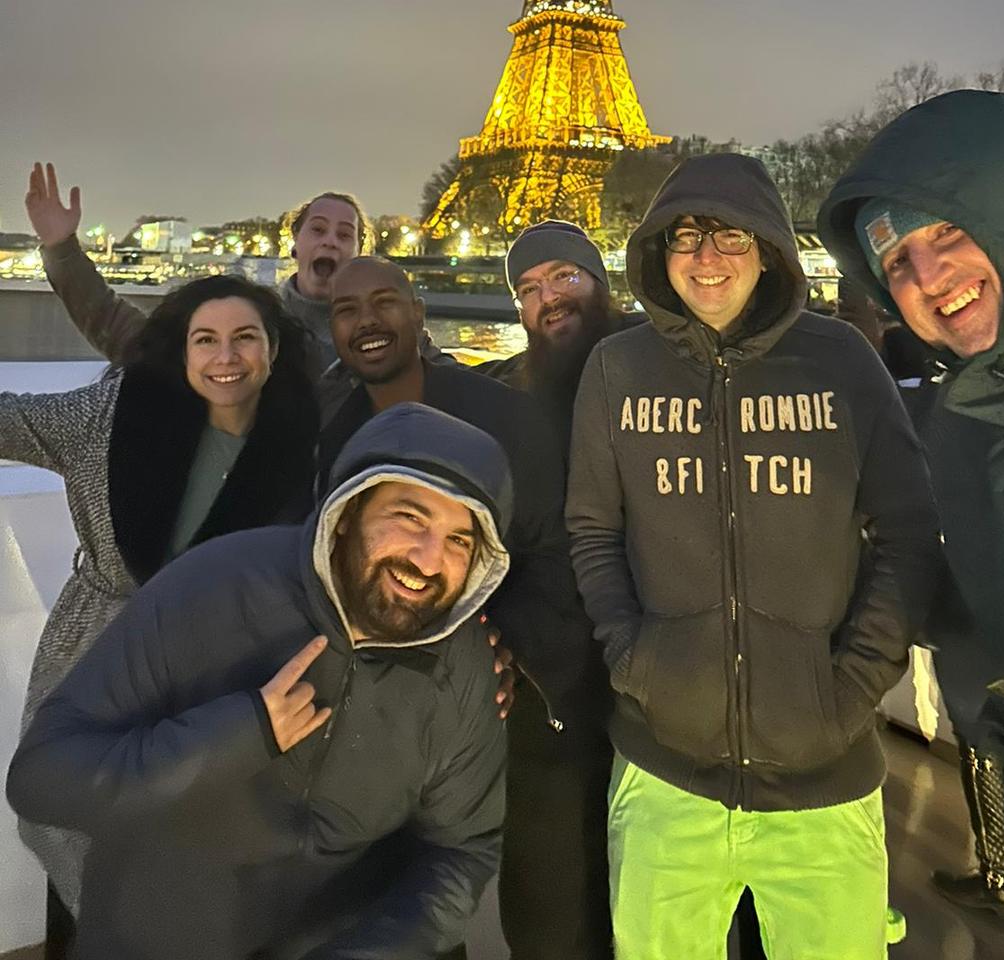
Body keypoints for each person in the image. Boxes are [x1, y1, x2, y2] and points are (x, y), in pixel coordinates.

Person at [567, 153, 940, 960]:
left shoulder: (843, 363)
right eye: (685, 236)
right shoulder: (616, 369)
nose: (706, 257)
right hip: (665, 775)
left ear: (768, 248)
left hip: (827, 781)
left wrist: (849, 689)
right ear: (659, 253)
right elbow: (592, 530)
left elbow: (910, 535)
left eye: (729, 235)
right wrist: (638, 662)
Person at [7, 403, 509, 960]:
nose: (428, 558)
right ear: (345, 512)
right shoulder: (209, 588)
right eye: (410, 518)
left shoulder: (462, 667)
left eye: (460, 541)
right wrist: (237, 734)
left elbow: (461, 850)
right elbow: (41, 780)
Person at [818, 88, 1004, 955]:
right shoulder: (961, 418)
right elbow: (966, 602)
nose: (926, 279)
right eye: (895, 264)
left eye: (947, 233)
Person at [2, 273, 319, 920]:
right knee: (76, 816)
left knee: (192, 834)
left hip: (226, 670)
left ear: (274, 348)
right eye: (205, 339)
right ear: (182, 349)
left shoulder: (311, 438)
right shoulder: (112, 414)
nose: (225, 357)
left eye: (244, 338)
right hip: (100, 642)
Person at [320, 255, 600, 960]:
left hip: (530, 707)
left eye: (385, 301)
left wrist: (504, 646)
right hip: (399, 715)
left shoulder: (503, 414)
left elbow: (563, 550)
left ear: (418, 315)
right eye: (346, 310)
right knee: (416, 902)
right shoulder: (335, 429)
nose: (366, 321)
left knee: (549, 913)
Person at [26, 162, 362, 373]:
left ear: (359, 252)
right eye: (318, 229)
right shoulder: (254, 317)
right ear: (295, 242)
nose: (330, 241)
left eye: (344, 234)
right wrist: (62, 250)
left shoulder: (379, 334)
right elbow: (132, 336)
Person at [478, 220, 641, 458]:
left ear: (599, 283)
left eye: (563, 276)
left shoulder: (659, 349)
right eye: (529, 290)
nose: (548, 297)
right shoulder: (508, 384)